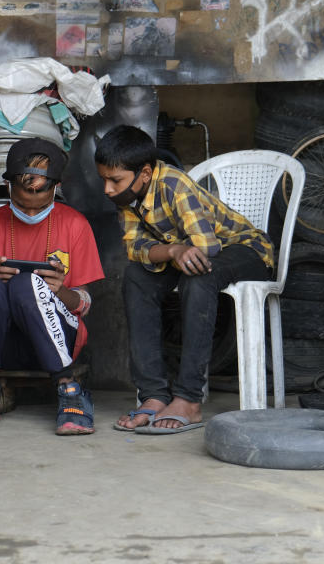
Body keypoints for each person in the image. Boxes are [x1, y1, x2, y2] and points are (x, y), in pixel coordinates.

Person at [94, 125, 275, 433]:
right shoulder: (128, 199)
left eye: (115, 180)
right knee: (136, 277)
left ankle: (189, 400)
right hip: (188, 253)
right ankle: (152, 395)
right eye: (104, 180)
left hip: (246, 250)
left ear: (145, 173)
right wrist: (173, 249)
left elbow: (206, 247)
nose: (108, 189)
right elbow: (135, 248)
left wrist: (173, 251)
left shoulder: (175, 186)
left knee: (197, 277)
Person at [0, 137, 105, 434]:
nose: (32, 214)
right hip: (1, 346)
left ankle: (68, 388)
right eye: (23, 205)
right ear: (8, 187)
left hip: (60, 343)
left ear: (56, 189)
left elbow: (85, 305)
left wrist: (60, 291)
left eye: (41, 206)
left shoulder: (75, 225)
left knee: (27, 285)